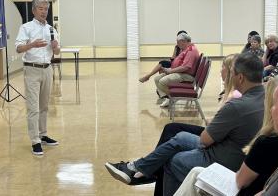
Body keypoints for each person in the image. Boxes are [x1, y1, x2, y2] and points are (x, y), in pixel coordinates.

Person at [105, 53, 265, 196]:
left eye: (232, 73)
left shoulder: (237, 106)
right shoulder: (265, 96)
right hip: (233, 151)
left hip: (222, 157)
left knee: (173, 160)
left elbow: (204, 140)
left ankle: (141, 170)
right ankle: (137, 168)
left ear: (240, 77)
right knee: (179, 136)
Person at [174, 80, 278, 196]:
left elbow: (241, 181)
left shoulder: (267, 141)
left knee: (188, 168)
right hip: (254, 185)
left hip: (241, 190)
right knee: (194, 170)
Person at [15, 0, 60, 156]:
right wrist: (32, 44)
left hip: (47, 69)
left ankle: (43, 134)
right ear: (34, 10)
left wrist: (55, 47)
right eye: (40, 9)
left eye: (46, 9)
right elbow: (19, 48)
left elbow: (57, 52)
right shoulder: (26, 27)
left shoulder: (51, 29)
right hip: (32, 70)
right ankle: (35, 141)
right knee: (33, 108)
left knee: (44, 106)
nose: (44, 12)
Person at [154, 33, 200, 108]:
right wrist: (170, 69)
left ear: (183, 41)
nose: (177, 44)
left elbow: (185, 67)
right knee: (157, 79)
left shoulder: (191, 51)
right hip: (181, 73)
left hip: (186, 75)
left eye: (178, 42)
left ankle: (173, 97)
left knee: (162, 82)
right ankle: (168, 98)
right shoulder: (186, 49)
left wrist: (170, 71)